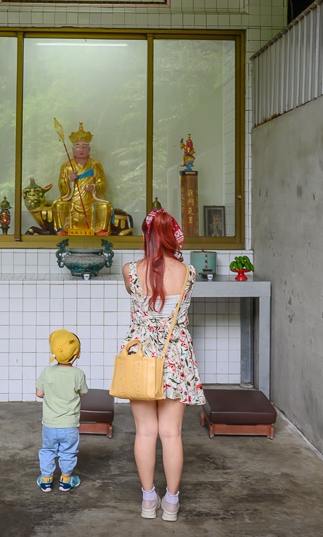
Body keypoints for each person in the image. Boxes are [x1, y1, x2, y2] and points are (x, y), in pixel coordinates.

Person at [120, 209, 205, 521]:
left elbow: (138, 295)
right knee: (171, 433)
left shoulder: (129, 270)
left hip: (141, 356)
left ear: (145, 235)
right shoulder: (189, 272)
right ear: (172, 236)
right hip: (176, 357)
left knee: (145, 432)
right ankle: (171, 502)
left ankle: (147, 500)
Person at [35, 329, 89, 492]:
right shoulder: (78, 374)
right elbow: (83, 392)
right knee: (68, 452)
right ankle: (66, 481)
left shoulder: (47, 371)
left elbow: (39, 393)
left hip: (50, 424)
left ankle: (46, 480)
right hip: (70, 425)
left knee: (48, 450)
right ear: (77, 354)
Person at [54, 122, 113, 235]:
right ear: (73, 150)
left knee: (105, 206)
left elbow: (102, 182)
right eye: (78, 147)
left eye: (84, 147)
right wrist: (69, 180)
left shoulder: (95, 165)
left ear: (89, 149)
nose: (81, 150)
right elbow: (61, 185)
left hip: (91, 200)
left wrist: (94, 186)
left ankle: (100, 230)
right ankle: (63, 230)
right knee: (59, 205)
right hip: (72, 200)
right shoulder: (67, 166)